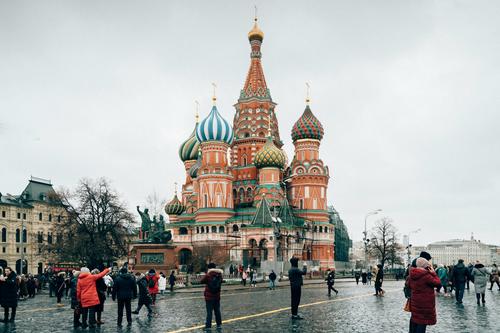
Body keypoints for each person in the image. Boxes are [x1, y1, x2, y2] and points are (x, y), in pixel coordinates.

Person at [408, 257, 441, 333]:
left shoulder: (412, 275)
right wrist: (433, 273)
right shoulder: (426, 276)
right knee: (422, 323)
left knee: (415, 320)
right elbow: (438, 283)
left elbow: (408, 285)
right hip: (425, 304)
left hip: (415, 302)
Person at [200, 262, 223, 331]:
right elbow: (221, 282)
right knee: (217, 311)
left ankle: (208, 326)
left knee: (209, 312)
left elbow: (202, 281)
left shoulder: (208, 275)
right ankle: (219, 325)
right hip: (217, 296)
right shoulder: (219, 274)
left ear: (209, 268)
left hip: (209, 297)